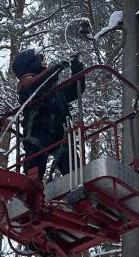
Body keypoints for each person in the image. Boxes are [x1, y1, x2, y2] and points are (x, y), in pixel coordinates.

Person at [12, 49, 85, 180]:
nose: (42, 62)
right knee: (33, 171)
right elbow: (35, 86)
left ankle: (80, 185)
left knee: (73, 165)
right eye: (39, 59)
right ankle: (30, 193)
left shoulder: (53, 88)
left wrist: (77, 69)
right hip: (38, 134)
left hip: (59, 133)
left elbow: (75, 90)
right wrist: (53, 70)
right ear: (29, 63)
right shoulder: (26, 82)